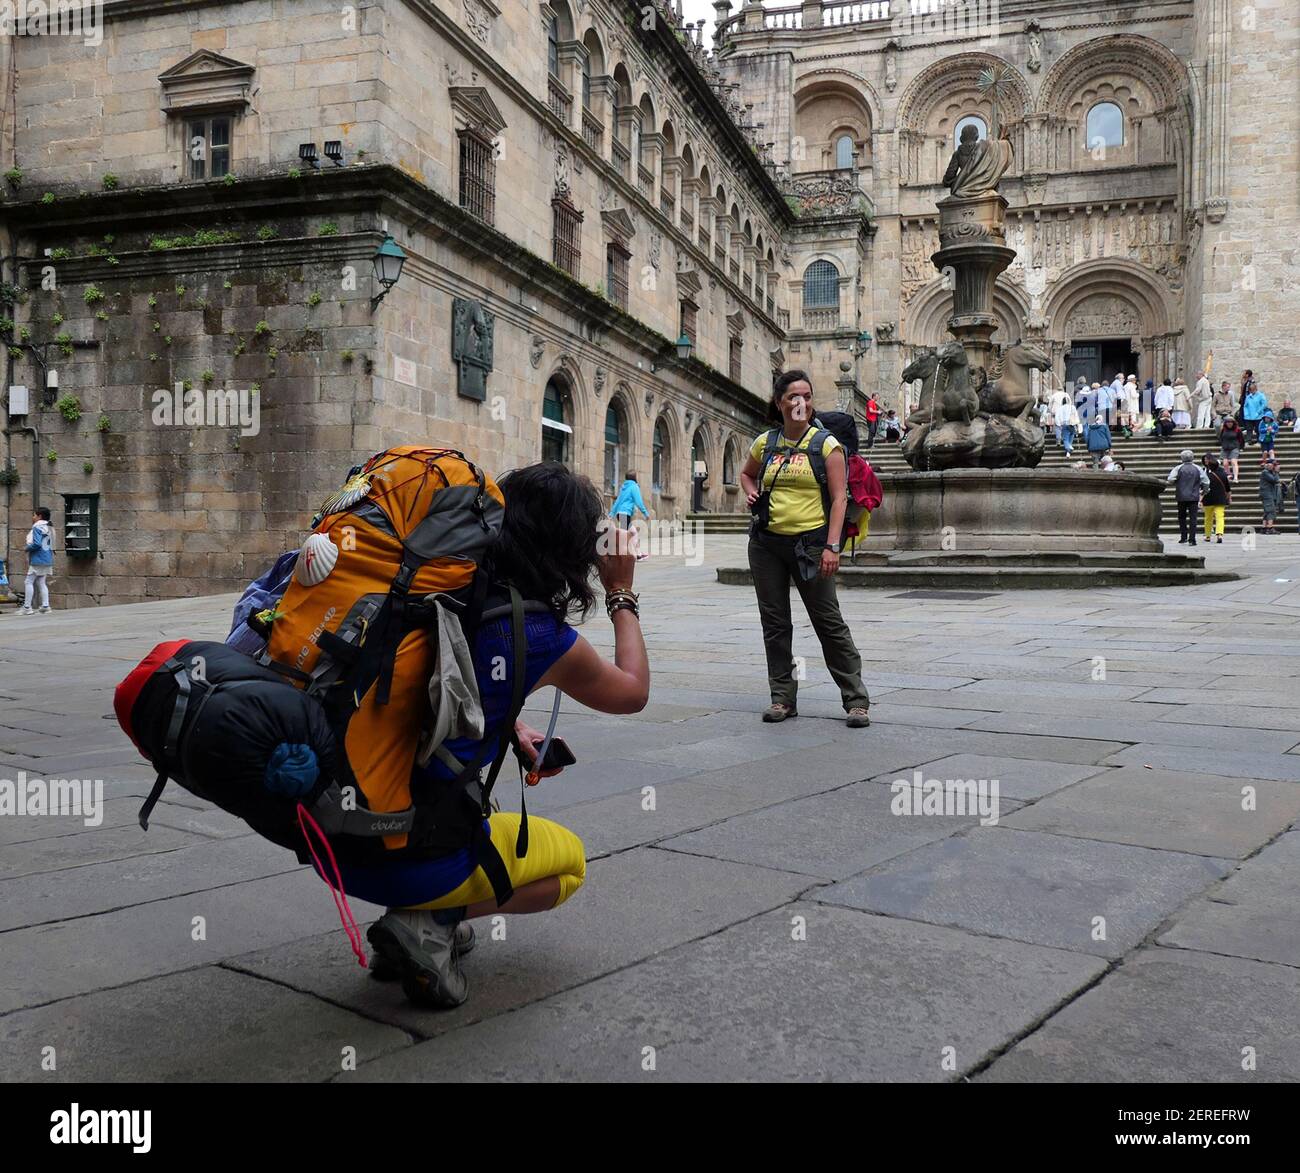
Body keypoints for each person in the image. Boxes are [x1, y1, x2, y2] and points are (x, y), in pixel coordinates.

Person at [359, 462, 651, 1007]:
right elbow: (632, 692)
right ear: (570, 552)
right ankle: (430, 918)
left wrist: (508, 721)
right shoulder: (540, 633)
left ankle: (423, 915)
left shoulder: (438, 588)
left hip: (336, 845)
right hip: (406, 859)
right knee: (569, 865)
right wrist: (621, 591)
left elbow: (428, 686)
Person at [740, 370, 870, 729]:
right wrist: (750, 491)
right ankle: (782, 697)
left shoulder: (826, 445)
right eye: (794, 397)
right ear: (779, 402)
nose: (802, 403)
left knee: (828, 622)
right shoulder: (765, 443)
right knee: (775, 624)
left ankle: (856, 700)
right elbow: (747, 474)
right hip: (766, 544)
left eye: (808, 396)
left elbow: (840, 499)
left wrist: (832, 547)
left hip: (811, 546)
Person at [1167, 449, 1209, 546]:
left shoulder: (1178, 468)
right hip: (1194, 496)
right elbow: (1206, 481)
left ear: (1182, 458)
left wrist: (1177, 481)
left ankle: (1183, 537)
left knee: (1182, 517)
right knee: (1193, 518)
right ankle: (1192, 539)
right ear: (1192, 458)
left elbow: (1170, 479)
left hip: (1181, 496)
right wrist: (1204, 491)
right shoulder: (1198, 468)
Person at [608, 473, 650, 561]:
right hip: (625, 514)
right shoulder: (634, 487)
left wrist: (611, 514)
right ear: (635, 477)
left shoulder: (623, 488)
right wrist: (645, 513)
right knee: (631, 534)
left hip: (620, 514)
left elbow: (617, 501)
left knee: (630, 534)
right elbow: (639, 502)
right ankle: (633, 555)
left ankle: (637, 554)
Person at [21, 507, 54, 616]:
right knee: (41, 582)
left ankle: (27, 607)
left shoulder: (37, 527)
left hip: (38, 558)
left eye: (34, 515)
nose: (33, 517)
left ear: (39, 516)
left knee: (28, 581)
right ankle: (45, 606)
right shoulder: (49, 526)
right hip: (47, 557)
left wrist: (27, 548)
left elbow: (37, 543)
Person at [1202, 453, 1231, 544]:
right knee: (1220, 516)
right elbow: (1227, 487)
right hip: (1220, 498)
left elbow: (1202, 487)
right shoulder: (1222, 473)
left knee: (1208, 518)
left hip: (1208, 498)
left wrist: (1200, 498)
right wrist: (1229, 497)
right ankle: (1219, 534)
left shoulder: (1205, 474)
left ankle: (1207, 535)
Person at [1259, 459, 1284, 535]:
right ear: (1268, 465)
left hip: (1268, 494)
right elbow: (1274, 480)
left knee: (1267, 511)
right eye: (1273, 465)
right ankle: (1270, 528)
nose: (1274, 466)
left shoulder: (1269, 472)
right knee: (1271, 510)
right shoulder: (1265, 472)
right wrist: (1276, 472)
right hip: (1267, 494)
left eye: (1275, 465)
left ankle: (1264, 528)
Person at [1219, 415, 1245, 482]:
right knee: (1225, 463)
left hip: (1234, 447)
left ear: (1233, 423)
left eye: (1231, 422)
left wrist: (1241, 447)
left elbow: (1241, 439)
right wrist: (1222, 444)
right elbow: (1221, 437)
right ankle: (1229, 474)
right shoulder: (1223, 429)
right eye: (1228, 422)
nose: (1229, 424)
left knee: (1233, 461)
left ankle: (1235, 477)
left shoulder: (1237, 430)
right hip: (1225, 447)